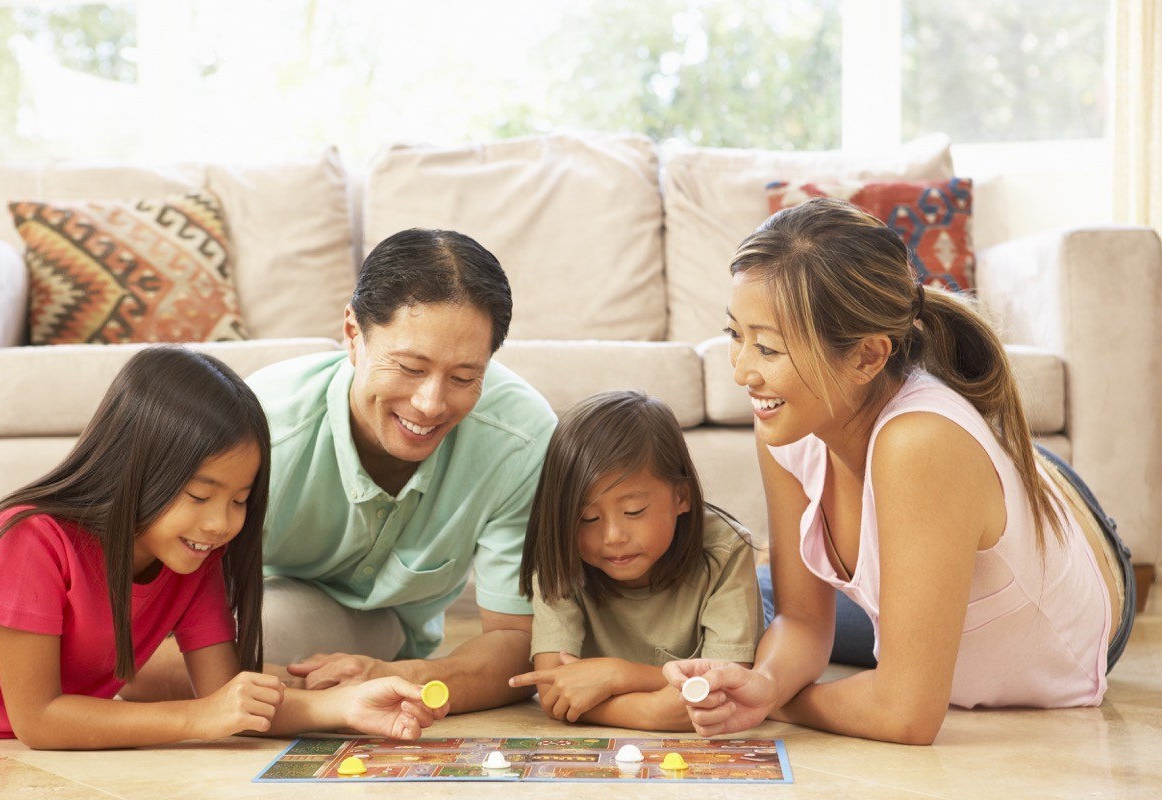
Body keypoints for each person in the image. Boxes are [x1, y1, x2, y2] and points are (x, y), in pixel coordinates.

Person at [663, 197, 1136, 745]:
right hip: (942, 496)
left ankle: (993, 462)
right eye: (735, 335)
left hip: (1077, 559)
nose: (743, 370)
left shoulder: (920, 446)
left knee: (758, 606)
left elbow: (905, 713)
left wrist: (776, 703)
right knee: (747, 592)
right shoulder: (787, 423)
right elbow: (804, 623)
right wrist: (764, 681)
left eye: (767, 348)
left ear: (867, 356)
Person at [0, 347, 446, 747]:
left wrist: (344, 705)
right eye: (198, 495)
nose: (220, 524)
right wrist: (200, 717)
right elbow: (40, 720)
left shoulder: (193, 558)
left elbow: (227, 698)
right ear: (135, 468)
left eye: (239, 500)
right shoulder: (29, 539)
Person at [230, 228, 553, 713]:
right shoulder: (264, 427)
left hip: (392, 627)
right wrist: (326, 699)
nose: (430, 405)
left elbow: (516, 642)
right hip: (258, 602)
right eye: (409, 367)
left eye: (465, 377)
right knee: (227, 639)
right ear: (353, 334)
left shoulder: (520, 438)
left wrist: (400, 676)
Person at [508, 390, 762, 730]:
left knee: (780, 611)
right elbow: (555, 692)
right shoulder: (560, 555)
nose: (613, 536)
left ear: (682, 496)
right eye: (588, 519)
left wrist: (617, 676)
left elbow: (727, 691)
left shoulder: (726, 550)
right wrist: (662, 705)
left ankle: (769, 570)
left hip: (755, 601)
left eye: (633, 511)